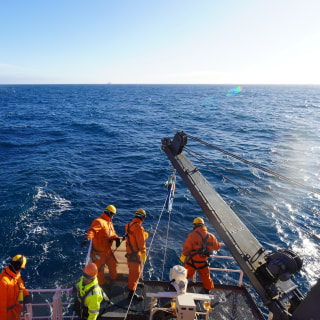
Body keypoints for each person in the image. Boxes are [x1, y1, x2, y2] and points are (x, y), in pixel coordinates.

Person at [81, 205, 121, 286]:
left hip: (108, 251)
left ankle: (114, 281)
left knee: (113, 265)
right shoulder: (98, 221)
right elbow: (92, 231)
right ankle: (102, 285)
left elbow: (112, 233)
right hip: (99, 253)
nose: (113, 217)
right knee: (100, 270)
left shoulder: (109, 223)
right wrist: (87, 239)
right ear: (109, 213)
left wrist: (116, 238)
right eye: (113, 215)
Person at [180, 217, 221, 293]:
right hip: (203, 261)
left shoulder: (192, 235)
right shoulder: (211, 237)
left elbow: (186, 248)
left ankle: (180, 289)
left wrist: (184, 254)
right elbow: (217, 247)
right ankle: (208, 290)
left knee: (184, 276)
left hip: (192, 261)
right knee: (206, 277)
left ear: (195, 225)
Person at [125, 208, 148, 301]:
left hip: (130, 254)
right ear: (142, 218)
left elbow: (132, 237)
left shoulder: (128, 225)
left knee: (133, 273)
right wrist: (143, 254)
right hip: (135, 256)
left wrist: (143, 234)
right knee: (135, 274)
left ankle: (133, 285)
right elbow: (141, 244)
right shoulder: (139, 228)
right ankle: (131, 294)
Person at [0, 254, 31, 320]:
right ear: (17, 267)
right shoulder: (4, 281)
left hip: (15, 312)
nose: (20, 270)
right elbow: (1, 307)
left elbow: (20, 286)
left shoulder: (16, 275)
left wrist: (26, 295)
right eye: (21, 269)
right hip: (7, 315)